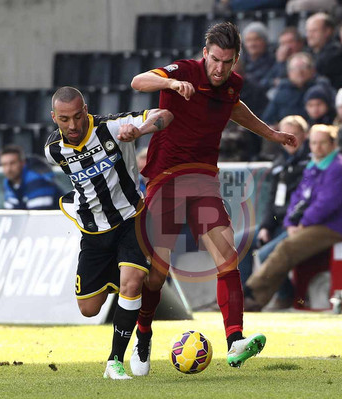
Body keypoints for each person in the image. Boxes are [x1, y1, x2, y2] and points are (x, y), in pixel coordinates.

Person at [129, 22, 298, 375]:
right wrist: (170, 83)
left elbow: (234, 107)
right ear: (205, 53)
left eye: (228, 62)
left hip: (203, 179)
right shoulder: (184, 71)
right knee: (157, 276)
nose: (220, 68)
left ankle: (235, 340)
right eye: (215, 60)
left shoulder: (232, 85)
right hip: (164, 180)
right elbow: (138, 81)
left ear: (236, 60)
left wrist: (271, 133)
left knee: (227, 256)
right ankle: (143, 333)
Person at [43, 86, 174, 380]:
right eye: (64, 119)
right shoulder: (53, 151)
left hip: (132, 219)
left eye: (78, 116)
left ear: (86, 110)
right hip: (94, 231)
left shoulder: (111, 127)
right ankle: (135, 301)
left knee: (132, 282)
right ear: (54, 118)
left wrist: (139, 130)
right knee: (89, 308)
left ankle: (115, 360)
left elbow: (164, 114)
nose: (73, 125)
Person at [243, 124, 342, 311]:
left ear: (333, 144)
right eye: (314, 143)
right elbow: (298, 198)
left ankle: (250, 293)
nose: (317, 147)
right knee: (280, 248)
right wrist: (290, 223)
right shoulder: (314, 165)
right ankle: (255, 301)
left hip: (333, 226)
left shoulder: (339, 168)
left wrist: (302, 224)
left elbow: (326, 204)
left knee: (286, 248)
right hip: (312, 224)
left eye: (322, 143)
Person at [262, 52, 334, 125]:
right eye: (294, 68)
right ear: (288, 72)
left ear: (312, 70)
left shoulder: (322, 88)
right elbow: (267, 119)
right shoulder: (282, 90)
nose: (299, 72)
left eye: (304, 67)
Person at [0, 144, 63, 210]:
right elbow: (12, 214)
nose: (8, 169)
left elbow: (37, 217)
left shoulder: (37, 181)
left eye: (12, 163)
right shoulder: (8, 183)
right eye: (4, 164)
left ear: (22, 163)